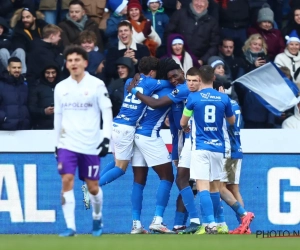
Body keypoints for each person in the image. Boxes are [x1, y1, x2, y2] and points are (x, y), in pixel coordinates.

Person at [126, 61, 198, 234]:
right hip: (170, 141)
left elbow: (156, 103)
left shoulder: (174, 88)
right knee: (176, 179)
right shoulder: (175, 89)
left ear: (183, 72)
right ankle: (168, 221)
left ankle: (143, 223)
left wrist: (136, 82)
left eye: (176, 76)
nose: (173, 80)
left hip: (147, 135)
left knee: (145, 180)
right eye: (170, 77)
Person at [54, 45, 112, 237]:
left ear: (85, 63)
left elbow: (107, 111)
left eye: (77, 60)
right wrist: (56, 143)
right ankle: (70, 227)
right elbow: (58, 116)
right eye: (70, 60)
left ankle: (97, 217)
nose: (73, 63)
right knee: (67, 180)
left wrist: (106, 138)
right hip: (67, 143)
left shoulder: (96, 85)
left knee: (92, 187)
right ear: (66, 64)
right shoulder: (61, 87)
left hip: (90, 144)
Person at [180, 65, 241, 234]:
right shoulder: (223, 98)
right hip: (218, 148)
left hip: (200, 147)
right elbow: (231, 121)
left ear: (199, 78)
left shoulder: (193, 98)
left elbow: (183, 122)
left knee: (202, 186)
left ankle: (210, 223)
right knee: (215, 186)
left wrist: (186, 126)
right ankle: (221, 223)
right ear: (214, 78)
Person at [99, 56, 171, 187]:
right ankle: (93, 187)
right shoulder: (151, 82)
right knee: (120, 168)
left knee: (117, 161)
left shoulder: (129, 81)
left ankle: (93, 183)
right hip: (126, 129)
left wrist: (138, 74)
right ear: (151, 72)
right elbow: (172, 82)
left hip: (116, 124)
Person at [130, 58, 176, 234]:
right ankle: (157, 220)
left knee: (139, 180)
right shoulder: (172, 88)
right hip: (149, 136)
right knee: (167, 177)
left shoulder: (147, 84)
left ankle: (136, 224)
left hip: (136, 134)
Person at [165, 0, 219, 65]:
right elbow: (168, 34)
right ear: (192, 1)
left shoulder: (212, 22)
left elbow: (214, 46)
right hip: (176, 59)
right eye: (197, 0)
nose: (199, 4)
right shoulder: (179, 14)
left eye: (202, 2)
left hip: (199, 62)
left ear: (207, 5)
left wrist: (202, 60)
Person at [0, 57, 30, 130]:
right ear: (8, 68)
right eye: (14, 67)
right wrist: (3, 118)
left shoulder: (24, 86)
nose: (17, 70)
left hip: (23, 128)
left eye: (19, 67)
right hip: (5, 128)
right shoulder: (1, 85)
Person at [28, 62, 60, 129]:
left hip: (61, 126)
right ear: (43, 73)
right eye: (48, 73)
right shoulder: (36, 87)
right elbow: (31, 108)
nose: (51, 75)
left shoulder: (62, 86)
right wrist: (44, 111)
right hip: (42, 127)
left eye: (53, 72)